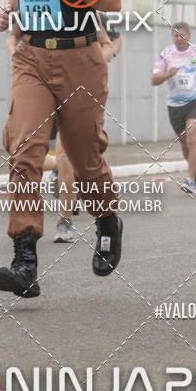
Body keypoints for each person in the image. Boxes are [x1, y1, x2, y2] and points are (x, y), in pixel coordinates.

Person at [0, 0, 123, 299]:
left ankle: (107, 220)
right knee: (23, 151)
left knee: (85, 158)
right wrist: (6, 11)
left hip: (79, 56)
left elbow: (113, 1)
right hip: (31, 56)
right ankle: (24, 260)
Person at [45, 13, 122, 243]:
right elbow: (15, 37)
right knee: (24, 153)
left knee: (66, 157)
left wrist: (97, 59)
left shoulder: (90, 9)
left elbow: (113, 42)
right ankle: (65, 174)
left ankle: (65, 220)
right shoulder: (39, 6)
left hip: (80, 92)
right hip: (44, 86)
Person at [151, 22, 196, 194]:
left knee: (192, 138)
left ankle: (190, 180)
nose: (179, 39)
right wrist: (168, 73)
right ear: (172, 37)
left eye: (182, 35)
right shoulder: (166, 54)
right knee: (185, 143)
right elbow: (154, 80)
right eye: (176, 36)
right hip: (175, 105)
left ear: (189, 36)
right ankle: (195, 171)